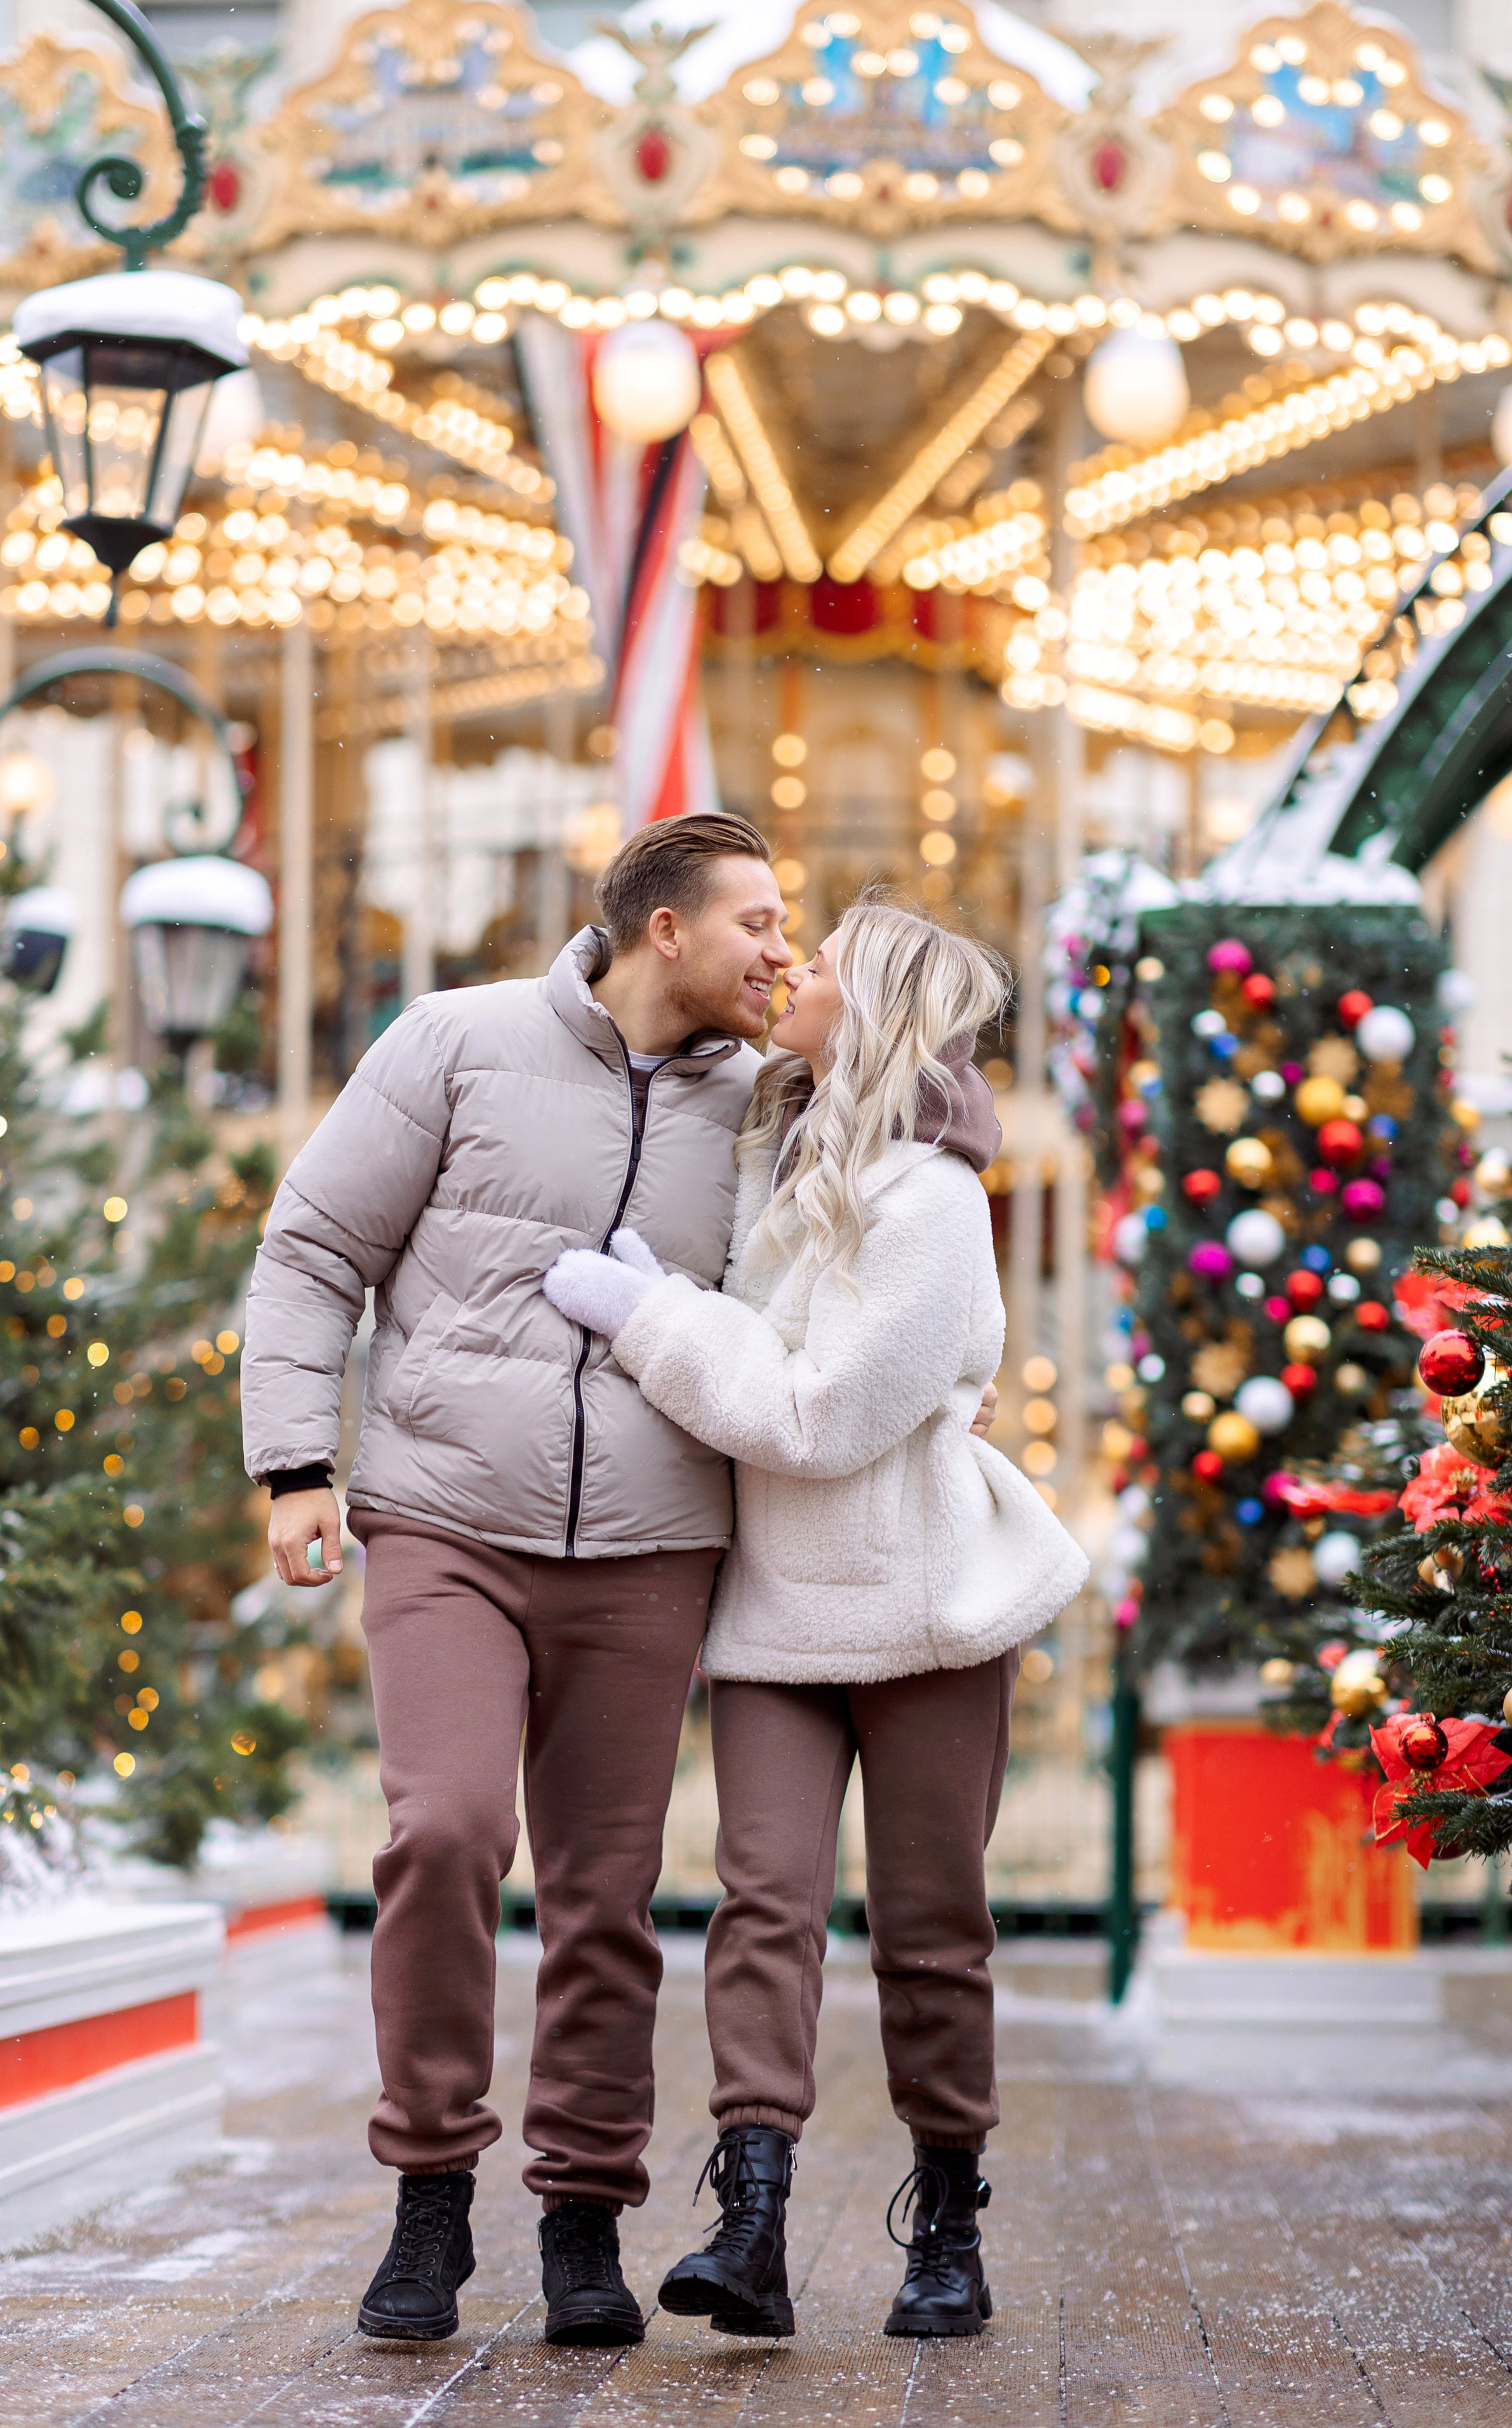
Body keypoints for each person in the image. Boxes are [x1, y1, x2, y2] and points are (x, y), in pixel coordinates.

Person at [239, 814, 796, 2349]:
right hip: (444, 1522)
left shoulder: (763, 1106)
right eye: (754, 918)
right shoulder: (456, 1043)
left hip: (648, 1546)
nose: (779, 945)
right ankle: (427, 2191)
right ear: (662, 929)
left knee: (608, 1898)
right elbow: (310, 1251)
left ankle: (579, 2217)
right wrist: (298, 1463)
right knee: (443, 1831)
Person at [544, 897, 1088, 2342]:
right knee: (761, 1906)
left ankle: (949, 2219)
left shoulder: (930, 1202)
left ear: (881, 1007)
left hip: (923, 1609)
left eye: (823, 962)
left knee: (928, 1929)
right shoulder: (768, 1153)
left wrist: (647, 1317)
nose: (791, 970)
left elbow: (818, 1411)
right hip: (776, 1610)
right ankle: (754, 2216)